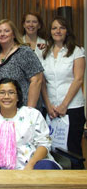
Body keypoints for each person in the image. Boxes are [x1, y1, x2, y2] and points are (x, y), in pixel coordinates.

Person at [0, 78, 61, 170]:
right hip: (9, 169)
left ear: (18, 97)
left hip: (38, 163)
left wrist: (31, 165)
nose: (6, 96)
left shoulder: (32, 114)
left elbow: (44, 144)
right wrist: (2, 142)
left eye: (11, 92)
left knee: (45, 168)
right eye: (2, 93)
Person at [40, 16, 86, 169]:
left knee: (72, 150)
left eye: (61, 28)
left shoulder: (77, 51)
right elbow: (43, 82)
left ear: (67, 31)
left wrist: (64, 105)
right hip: (51, 109)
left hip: (72, 108)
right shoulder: (44, 52)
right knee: (51, 150)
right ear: (50, 31)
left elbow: (78, 79)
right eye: (54, 28)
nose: (57, 31)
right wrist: (48, 105)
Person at [0, 19, 43, 115]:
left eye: (6, 31)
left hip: (21, 112)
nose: (2, 34)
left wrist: (29, 111)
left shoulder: (24, 52)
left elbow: (37, 80)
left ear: (14, 34)